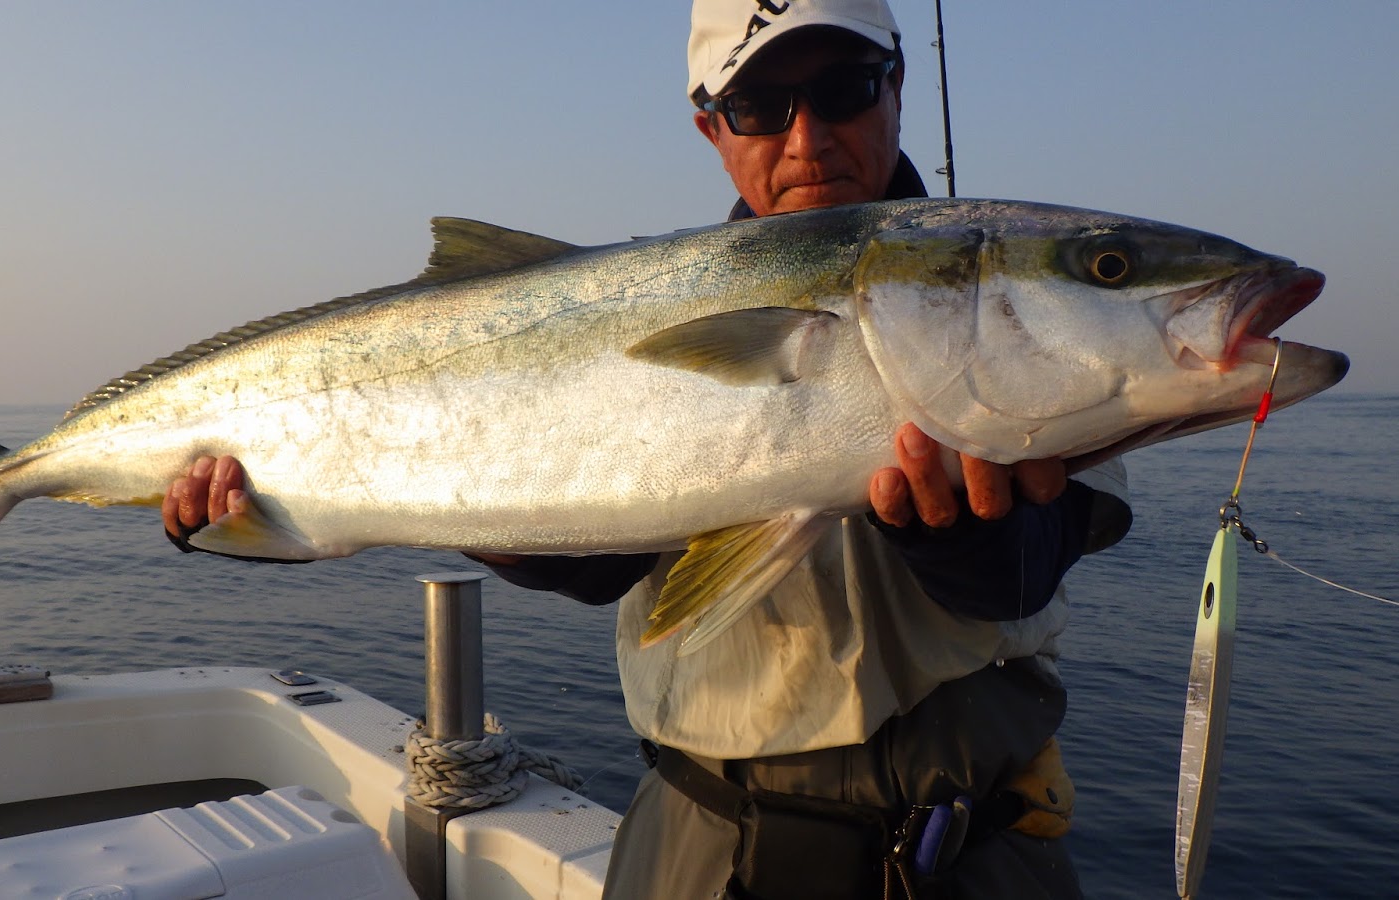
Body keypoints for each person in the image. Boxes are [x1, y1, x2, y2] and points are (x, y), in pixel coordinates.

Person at [162, 2, 1132, 897]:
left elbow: (1024, 574)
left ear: (896, 87)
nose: (808, 138)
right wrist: (279, 513)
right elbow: (601, 567)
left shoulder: (1021, 336)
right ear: (713, 128)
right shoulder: (639, 294)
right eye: (760, 105)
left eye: (844, 90)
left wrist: (959, 530)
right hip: (702, 843)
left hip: (972, 850)